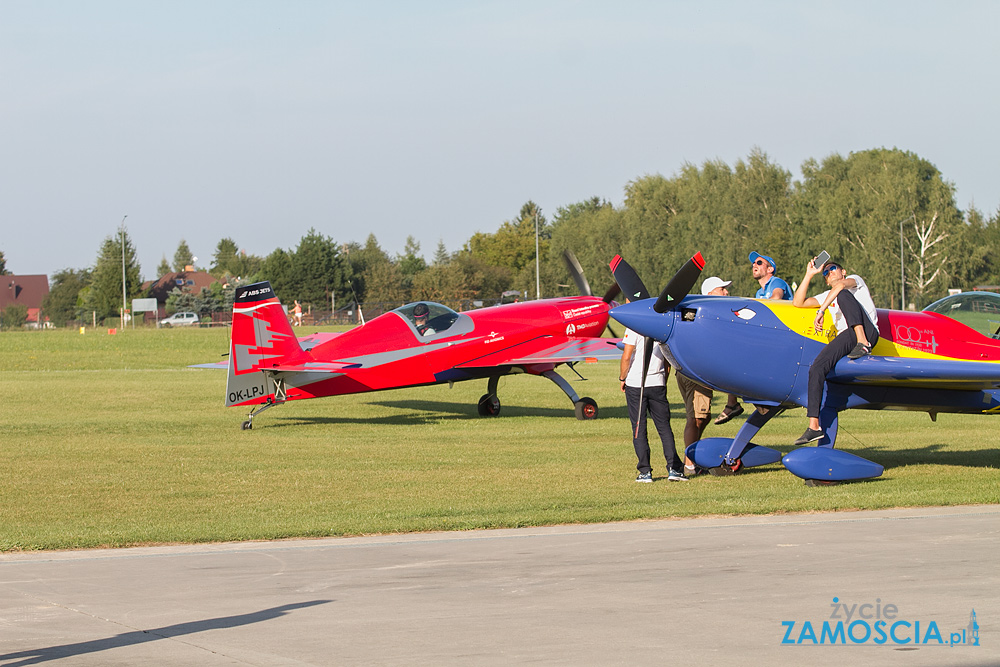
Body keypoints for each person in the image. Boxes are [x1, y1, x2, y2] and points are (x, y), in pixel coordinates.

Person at [792, 258, 879, 445]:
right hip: (848, 337)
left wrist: (822, 310)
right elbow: (798, 303)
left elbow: (840, 287)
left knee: (842, 293)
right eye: (826, 272)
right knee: (816, 367)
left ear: (844, 271)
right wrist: (809, 274)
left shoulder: (856, 282)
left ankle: (863, 343)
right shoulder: (827, 294)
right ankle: (814, 426)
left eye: (832, 269)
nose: (829, 272)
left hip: (868, 331)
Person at [676, 276, 733, 476]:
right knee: (696, 418)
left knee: (703, 417)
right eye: (722, 289)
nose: (726, 292)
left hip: (694, 371)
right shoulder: (697, 313)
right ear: (710, 293)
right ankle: (690, 464)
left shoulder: (698, 313)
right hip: (696, 372)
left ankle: (693, 459)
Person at [620, 320, 686, 482]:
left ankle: (645, 471)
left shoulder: (634, 325)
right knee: (664, 427)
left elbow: (627, 355)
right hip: (658, 383)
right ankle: (673, 468)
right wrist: (663, 378)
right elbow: (667, 360)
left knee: (639, 427)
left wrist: (622, 378)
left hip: (636, 384)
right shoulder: (661, 326)